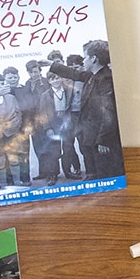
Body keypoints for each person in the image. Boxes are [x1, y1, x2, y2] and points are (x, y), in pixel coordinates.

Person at [50, 40, 121, 178]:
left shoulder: (105, 79)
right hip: (92, 133)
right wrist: (50, 65)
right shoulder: (92, 75)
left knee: (105, 172)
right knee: (95, 167)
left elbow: (108, 113)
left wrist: (104, 140)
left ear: (94, 59)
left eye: (85, 57)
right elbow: (73, 74)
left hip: (101, 138)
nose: (83, 61)